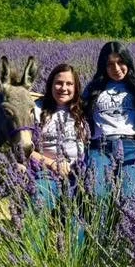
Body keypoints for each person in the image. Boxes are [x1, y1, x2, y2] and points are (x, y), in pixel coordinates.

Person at [83, 41, 135, 198]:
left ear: (128, 62)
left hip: (131, 146)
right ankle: (102, 223)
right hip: (100, 148)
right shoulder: (93, 89)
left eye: (120, 62)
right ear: (103, 66)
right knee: (97, 192)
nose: (116, 69)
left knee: (131, 193)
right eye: (110, 64)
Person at [30, 63, 90, 208]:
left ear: (75, 88)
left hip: (79, 171)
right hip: (46, 171)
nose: (64, 88)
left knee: (81, 214)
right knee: (39, 203)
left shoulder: (83, 110)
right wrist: (52, 164)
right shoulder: (36, 109)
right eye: (59, 83)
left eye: (69, 84)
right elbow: (26, 149)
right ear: (50, 85)